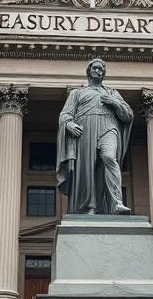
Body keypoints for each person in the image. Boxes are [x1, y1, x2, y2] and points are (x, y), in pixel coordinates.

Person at [57, 59, 134, 215]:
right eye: (95, 68)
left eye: (101, 69)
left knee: (109, 157)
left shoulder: (112, 93)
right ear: (89, 71)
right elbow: (65, 114)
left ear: (104, 74)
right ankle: (90, 207)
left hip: (108, 127)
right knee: (88, 167)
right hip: (86, 129)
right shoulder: (77, 93)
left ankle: (117, 202)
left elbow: (128, 116)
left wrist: (115, 103)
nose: (98, 71)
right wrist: (69, 124)